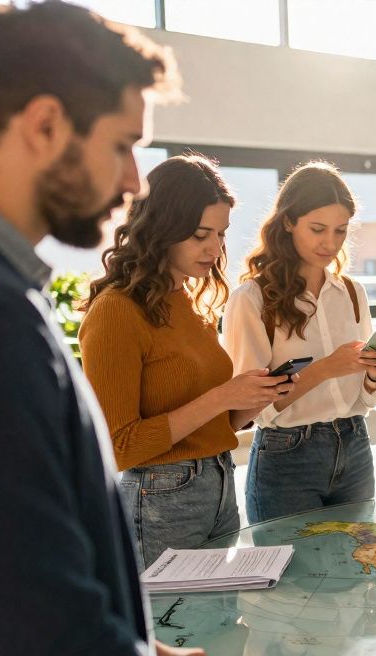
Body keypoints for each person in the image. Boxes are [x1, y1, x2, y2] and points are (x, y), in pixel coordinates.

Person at [0, 2, 317, 656]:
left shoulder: (15, 295)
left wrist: (143, 651)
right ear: (44, 126)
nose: (135, 181)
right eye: (122, 144)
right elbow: (46, 643)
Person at [80, 155, 292, 566]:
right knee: (169, 627)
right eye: (199, 235)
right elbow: (119, 446)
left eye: (221, 234)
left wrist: (254, 398)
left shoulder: (187, 304)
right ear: (161, 229)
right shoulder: (116, 311)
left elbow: (209, 426)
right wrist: (221, 396)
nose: (214, 248)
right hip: (159, 500)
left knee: (221, 624)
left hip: (219, 484)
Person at [222, 162, 376, 523]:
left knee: (358, 569)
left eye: (340, 231)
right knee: (292, 576)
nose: (329, 243)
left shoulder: (351, 292)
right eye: (317, 229)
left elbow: (368, 398)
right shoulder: (251, 299)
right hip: (287, 457)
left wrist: (375, 373)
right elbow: (255, 409)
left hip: (355, 445)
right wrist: (326, 369)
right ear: (287, 222)